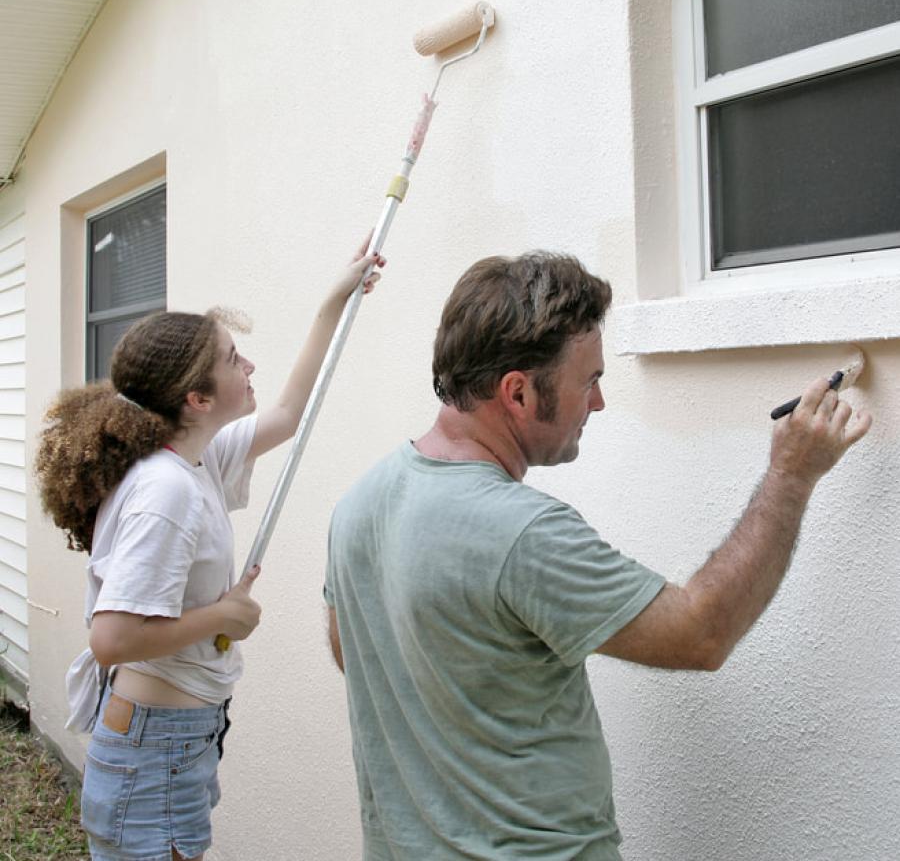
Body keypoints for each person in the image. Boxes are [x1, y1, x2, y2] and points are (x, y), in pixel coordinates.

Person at [324, 251, 871, 861]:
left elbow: (355, 650)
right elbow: (702, 633)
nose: (600, 402)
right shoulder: (523, 533)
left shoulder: (358, 505)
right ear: (518, 392)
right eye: (588, 381)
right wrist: (791, 475)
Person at [35, 240, 385, 861]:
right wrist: (224, 617)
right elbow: (111, 638)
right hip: (155, 750)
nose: (248, 365)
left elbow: (287, 413)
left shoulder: (193, 459)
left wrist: (336, 298)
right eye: (232, 359)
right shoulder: (166, 489)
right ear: (196, 400)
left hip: (169, 742)